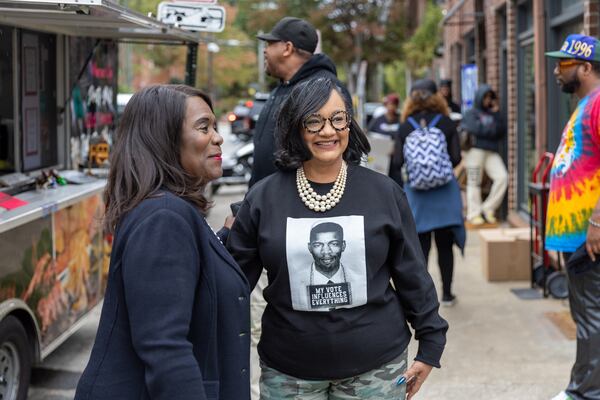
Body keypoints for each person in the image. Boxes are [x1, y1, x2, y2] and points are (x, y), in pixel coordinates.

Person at [228, 77, 448, 400]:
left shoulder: (384, 193)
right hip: (289, 374)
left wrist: (431, 345)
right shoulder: (264, 198)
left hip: (376, 370)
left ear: (349, 123)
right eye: (314, 121)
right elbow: (232, 282)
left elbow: (412, 273)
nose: (328, 131)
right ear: (295, 127)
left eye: (337, 118)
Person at [74, 85, 250, 400]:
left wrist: (220, 240)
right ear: (165, 140)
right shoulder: (164, 218)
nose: (218, 136)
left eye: (214, 125)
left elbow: (182, 278)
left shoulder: (170, 212)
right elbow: (166, 350)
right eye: (203, 127)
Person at [545, 34, 600, 400]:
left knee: (592, 318)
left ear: (585, 66)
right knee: (585, 315)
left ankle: (585, 392)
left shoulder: (598, 104)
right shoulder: (585, 104)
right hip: (576, 235)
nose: (555, 69)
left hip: (590, 234)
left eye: (563, 63)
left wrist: (597, 222)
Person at [390, 79, 465, 306]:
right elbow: (456, 158)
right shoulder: (447, 123)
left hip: (417, 193)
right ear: (437, 98)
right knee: (445, 245)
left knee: (420, 247)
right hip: (444, 193)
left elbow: (397, 161)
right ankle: (447, 294)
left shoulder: (404, 128)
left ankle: (424, 297)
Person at [250, 16, 349, 187]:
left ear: (287, 48)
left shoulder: (324, 89)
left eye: (270, 44)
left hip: (296, 205)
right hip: (264, 201)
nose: (265, 51)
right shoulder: (281, 88)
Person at [461, 84, 508, 225]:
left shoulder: (494, 114)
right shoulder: (471, 113)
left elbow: (501, 130)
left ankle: (488, 209)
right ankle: (474, 213)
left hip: (491, 152)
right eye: (485, 97)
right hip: (475, 152)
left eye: (490, 97)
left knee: (502, 177)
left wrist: (495, 115)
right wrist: (490, 130)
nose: (487, 100)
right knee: (474, 182)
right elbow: (476, 129)